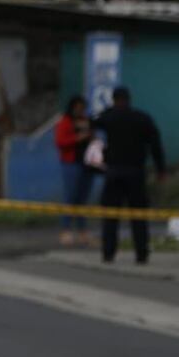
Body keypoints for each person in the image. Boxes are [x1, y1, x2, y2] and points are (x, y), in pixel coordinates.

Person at [92, 86, 165, 264]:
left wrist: (109, 110)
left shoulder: (109, 117)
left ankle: (108, 253)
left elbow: (94, 121)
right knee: (138, 216)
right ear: (129, 99)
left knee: (111, 216)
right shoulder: (142, 118)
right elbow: (155, 145)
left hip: (114, 172)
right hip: (136, 172)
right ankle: (141, 254)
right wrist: (160, 169)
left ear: (114, 100)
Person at [54, 95, 97, 247]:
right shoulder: (65, 122)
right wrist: (77, 138)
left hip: (87, 164)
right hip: (71, 163)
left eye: (83, 107)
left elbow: (93, 137)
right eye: (78, 107)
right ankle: (65, 230)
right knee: (70, 197)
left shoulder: (86, 121)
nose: (80, 110)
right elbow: (60, 142)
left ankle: (82, 231)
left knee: (82, 200)